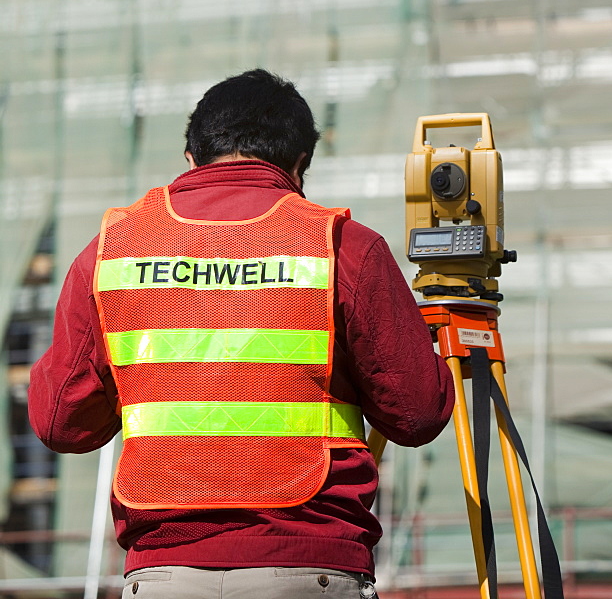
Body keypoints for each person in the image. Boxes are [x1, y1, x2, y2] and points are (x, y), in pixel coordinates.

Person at [29, 69, 454, 599]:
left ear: (191, 156)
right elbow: (417, 414)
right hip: (309, 565)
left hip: (163, 574)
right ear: (300, 165)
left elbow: (60, 423)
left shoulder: (112, 252)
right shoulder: (344, 246)